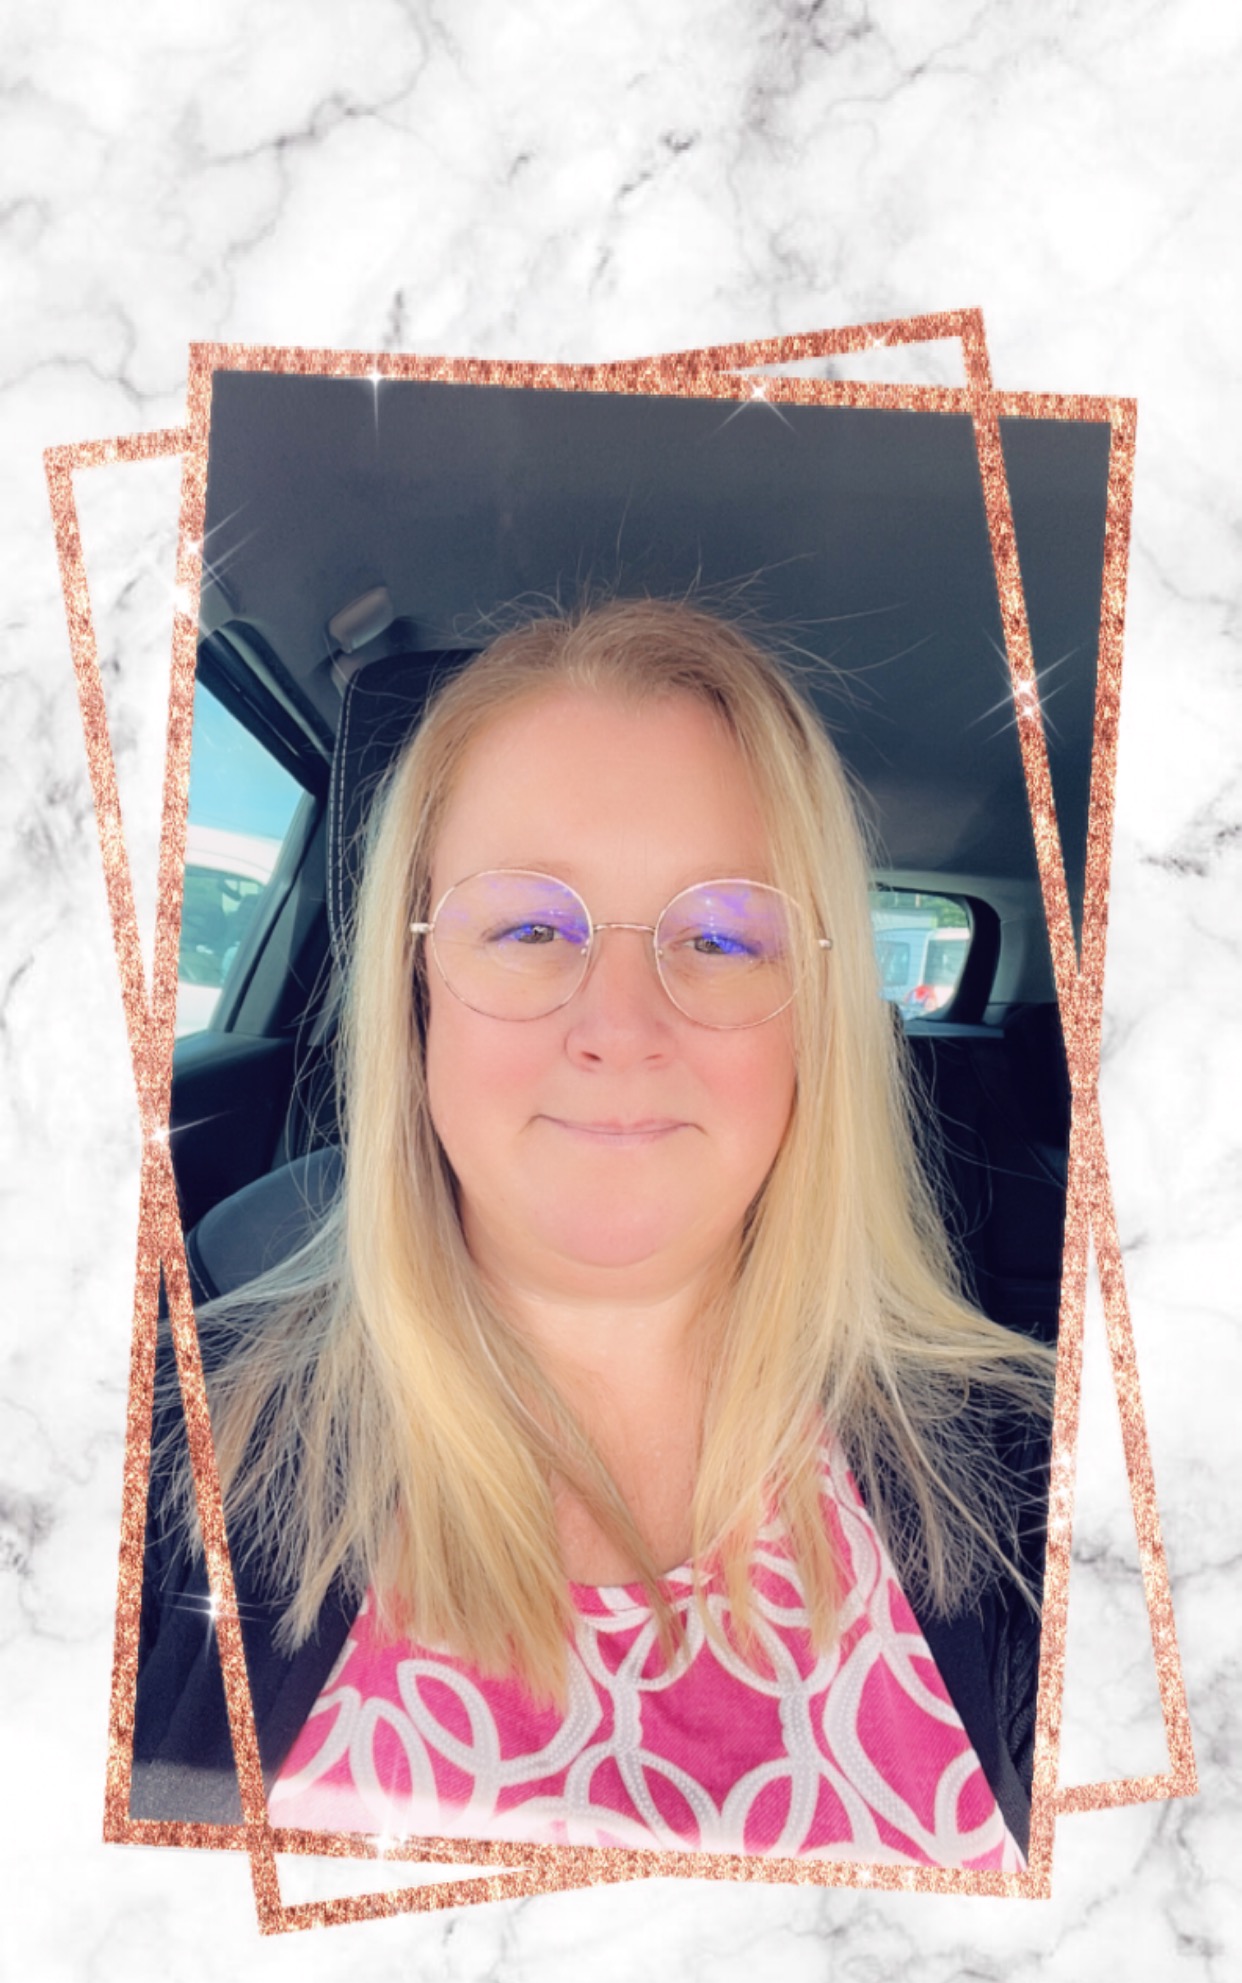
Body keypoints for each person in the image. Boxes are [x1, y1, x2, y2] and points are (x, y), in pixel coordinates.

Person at [133, 599, 1054, 1867]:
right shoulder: (165, 1458)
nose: (620, 1027)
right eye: (527, 928)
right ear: (414, 991)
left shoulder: (1040, 1486)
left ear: (817, 1018)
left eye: (721, 936)